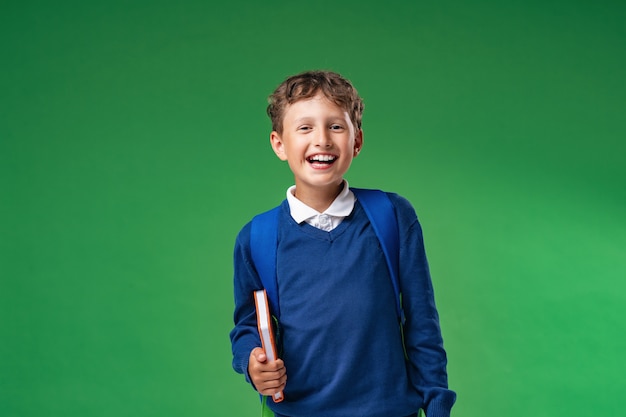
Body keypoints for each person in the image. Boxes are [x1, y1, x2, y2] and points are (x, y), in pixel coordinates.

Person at [229, 70, 456, 417]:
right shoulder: (257, 237)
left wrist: (437, 404)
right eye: (304, 128)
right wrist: (252, 363)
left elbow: (422, 322)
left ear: (357, 141)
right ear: (279, 144)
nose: (321, 139)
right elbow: (247, 325)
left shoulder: (392, 216)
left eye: (335, 126)